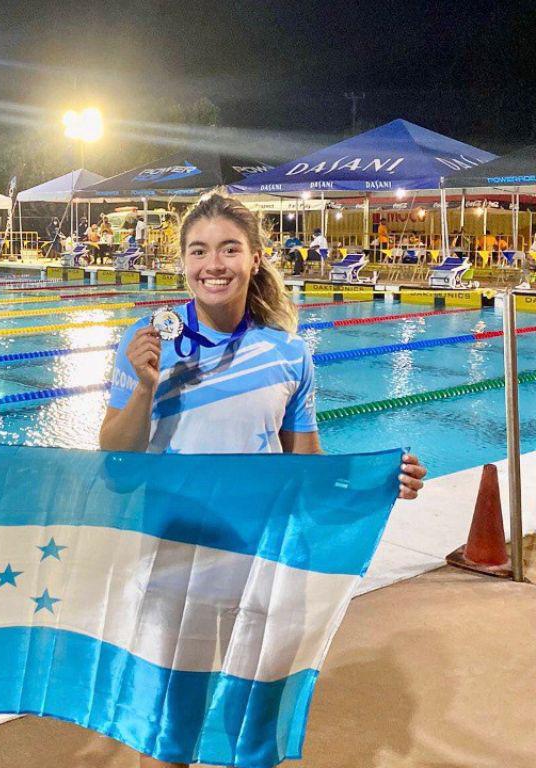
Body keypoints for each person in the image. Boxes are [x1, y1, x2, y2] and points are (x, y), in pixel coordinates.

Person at [99, 195, 427, 762]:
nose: (214, 264)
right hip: (175, 550)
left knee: (253, 715)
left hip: (261, 555)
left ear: (255, 258)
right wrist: (146, 384)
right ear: (182, 262)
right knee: (175, 717)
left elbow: (305, 461)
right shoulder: (147, 341)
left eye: (230, 248)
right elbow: (116, 460)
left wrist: (376, 478)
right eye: (199, 251)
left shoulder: (287, 352)